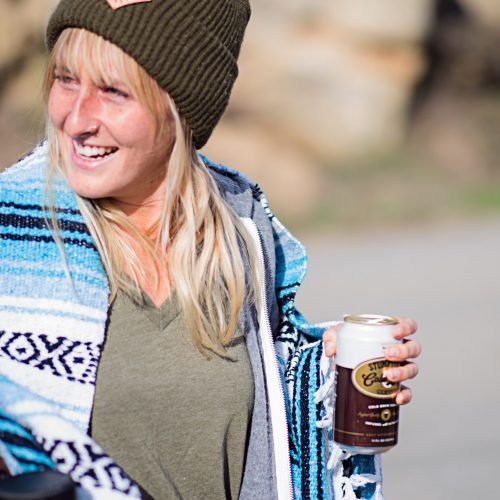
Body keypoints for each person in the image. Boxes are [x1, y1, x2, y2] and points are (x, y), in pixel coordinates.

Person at [0, 1, 421, 499]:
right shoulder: (14, 233)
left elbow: (270, 408)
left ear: (182, 107)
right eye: (65, 79)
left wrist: (332, 372)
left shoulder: (240, 226)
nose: (76, 118)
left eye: (113, 91)